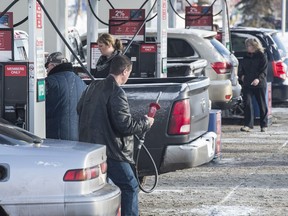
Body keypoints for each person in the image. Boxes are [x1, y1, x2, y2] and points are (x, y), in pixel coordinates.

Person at [77, 55, 154, 216]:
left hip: (90, 147)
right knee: (130, 185)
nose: (128, 77)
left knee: (101, 189)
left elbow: (79, 109)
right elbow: (125, 125)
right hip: (112, 151)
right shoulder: (117, 92)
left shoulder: (92, 86)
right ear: (125, 71)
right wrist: (146, 122)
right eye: (129, 73)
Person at [45, 52, 87, 140]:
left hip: (55, 136)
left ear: (52, 65)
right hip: (77, 136)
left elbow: (41, 110)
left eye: (47, 67)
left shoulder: (50, 82)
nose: (46, 70)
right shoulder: (80, 81)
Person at [239, 38, 268, 132]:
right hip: (247, 83)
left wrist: (258, 79)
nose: (248, 48)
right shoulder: (246, 56)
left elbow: (264, 71)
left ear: (255, 46)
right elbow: (241, 68)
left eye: (249, 46)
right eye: (247, 46)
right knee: (247, 103)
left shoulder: (262, 56)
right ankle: (248, 125)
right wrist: (241, 76)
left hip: (259, 84)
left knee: (262, 104)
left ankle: (264, 125)